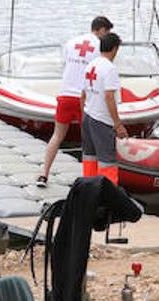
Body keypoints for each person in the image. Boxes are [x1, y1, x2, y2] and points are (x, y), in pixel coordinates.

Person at [38, 15, 113, 187]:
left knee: (57, 136)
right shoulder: (100, 47)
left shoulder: (71, 42)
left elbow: (65, 66)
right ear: (101, 29)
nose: (107, 36)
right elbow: (100, 71)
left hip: (65, 95)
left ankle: (44, 174)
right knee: (89, 141)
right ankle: (90, 181)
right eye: (107, 32)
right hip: (84, 98)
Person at [79, 32, 128, 182]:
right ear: (114, 49)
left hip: (88, 116)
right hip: (102, 120)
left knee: (89, 157)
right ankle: (109, 196)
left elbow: (83, 95)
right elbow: (109, 97)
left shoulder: (91, 65)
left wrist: (84, 115)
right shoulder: (110, 69)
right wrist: (118, 124)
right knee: (108, 162)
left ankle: (88, 189)